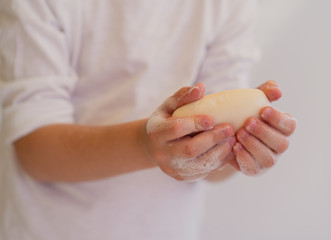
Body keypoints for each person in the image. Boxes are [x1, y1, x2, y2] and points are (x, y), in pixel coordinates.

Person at [0, 0, 296, 239]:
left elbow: (211, 165)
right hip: (51, 229)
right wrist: (146, 144)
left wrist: (241, 147)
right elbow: (36, 153)